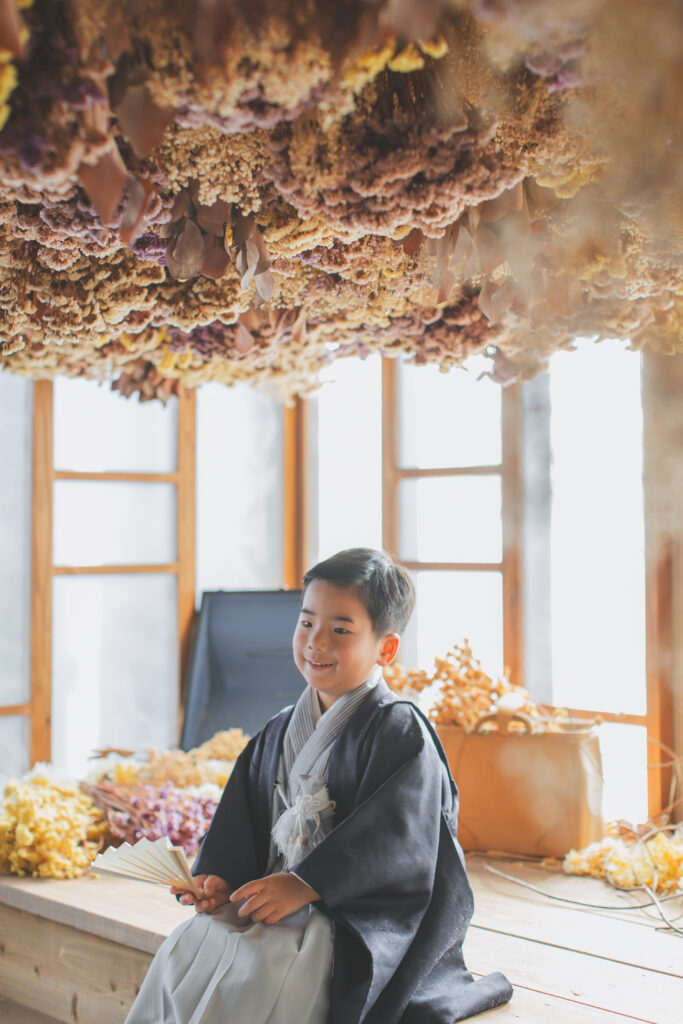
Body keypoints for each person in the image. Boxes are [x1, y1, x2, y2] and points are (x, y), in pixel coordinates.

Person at [125, 547, 513, 1024]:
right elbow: (241, 822)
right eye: (307, 623)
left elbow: (396, 842)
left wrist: (307, 883)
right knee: (187, 946)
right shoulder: (280, 729)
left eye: (341, 630)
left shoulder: (400, 730)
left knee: (261, 969)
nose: (316, 642)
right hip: (274, 904)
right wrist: (222, 879)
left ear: (385, 649)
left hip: (349, 922)